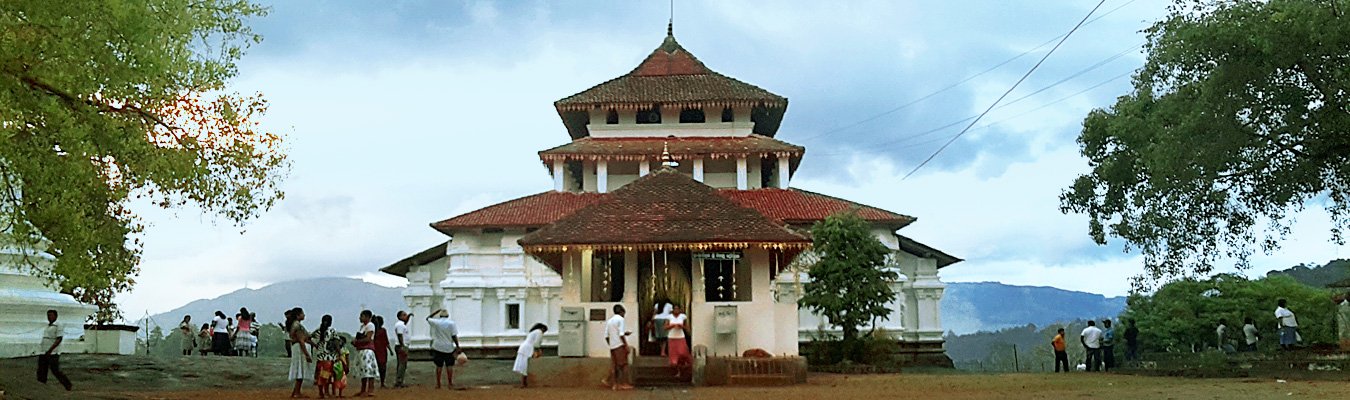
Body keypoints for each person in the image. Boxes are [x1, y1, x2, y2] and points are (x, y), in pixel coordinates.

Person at [36, 309, 72, 391]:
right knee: (42, 369)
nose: (49, 317)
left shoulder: (58, 325)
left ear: (56, 316)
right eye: (48, 315)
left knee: (55, 370)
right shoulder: (48, 326)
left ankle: (67, 384)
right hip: (43, 350)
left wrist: (51, 349)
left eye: (51, 315)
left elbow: (59, 339)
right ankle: (41, 384)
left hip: (53, 352)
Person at [426, 309, 461, 390]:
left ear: (440, 316)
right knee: (449, 365)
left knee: (439, 366)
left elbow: (428, 318)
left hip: (438, 346)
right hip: (448, 347)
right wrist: (458, 346)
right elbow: (454, 336)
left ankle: (438, 384)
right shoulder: (451, 323)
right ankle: (450, 383)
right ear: (448, 316)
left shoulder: (436, 322)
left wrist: (436, 311)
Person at [285, 307, 314, 399]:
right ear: (298, 316)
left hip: (297, 348)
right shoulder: (297, 326)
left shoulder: (294, 325)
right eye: (302, 313)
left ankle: (296, 391)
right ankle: (297, 392)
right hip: (299, 349)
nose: (304, 315)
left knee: (299, 369)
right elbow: (301, 340)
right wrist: (307, 354)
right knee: (300, 369)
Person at [311, 315, 341, 399]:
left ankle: (321, 393)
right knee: (327, 375)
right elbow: (336, 343)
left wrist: (315, 345)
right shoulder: (332, 331)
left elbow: (308, 338)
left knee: (321, 375)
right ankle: (327, 392)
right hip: (329, 357)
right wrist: (340, 353)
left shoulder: (317, 331)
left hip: (320, 357)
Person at [606, 304, 633, 390]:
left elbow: (607, 336)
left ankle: (614, 384)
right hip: (619, 345)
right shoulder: (621, 320)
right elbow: (621, 334)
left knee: (615, 365)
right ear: (622, 312)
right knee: (624, 365)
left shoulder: (610, 321)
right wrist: (626, 345)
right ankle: (624, 383)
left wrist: (611, 344)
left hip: (613, 346)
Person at [352, 310, 379, 397]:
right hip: (362, 350)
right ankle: (363, 390)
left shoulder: (370, 326)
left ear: (367, 317)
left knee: (368, 370)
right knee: (363, 370)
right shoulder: (362, 326)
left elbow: (368, 339)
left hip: (367, 350)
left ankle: (370, 389)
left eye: (361, 316)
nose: (360, 318)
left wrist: (357, 342)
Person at [512, 323, 548, 388]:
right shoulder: (539, 332)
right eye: (544, 331)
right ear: (542, 328)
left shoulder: (533, 331)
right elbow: (536, 343)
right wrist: (538, 350)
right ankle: (524, 383)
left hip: (524, 347)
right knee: (525, 366)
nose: (544, 333)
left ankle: (524, 382)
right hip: (527, 348)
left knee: (524, 366)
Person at [665, 304, 692, 378]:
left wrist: (681, 326)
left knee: (682, 353)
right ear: (673, 310)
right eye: (675, 309)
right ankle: (677, 371)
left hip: (680, 337)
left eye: (678, 309)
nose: (676, 310)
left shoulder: (683, 316)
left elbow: (687, 327)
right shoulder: (669, 317)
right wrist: (672, 326)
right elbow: (665, 327)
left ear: (680, 310)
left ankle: (684, 367)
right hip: (672, 337)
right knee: (674, 357)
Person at [392, 311, 412, 388]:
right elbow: (400, 335)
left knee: (402, 364)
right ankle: (399, 381)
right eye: (404, 315)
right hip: (401, 346)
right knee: (402, 364)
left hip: (401, 346)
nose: (406, 316)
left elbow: (405, 322)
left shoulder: (401, 324)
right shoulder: (400, 325)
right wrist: (402, 346)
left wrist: (409, 316)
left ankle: (399, 380)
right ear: (400, 317)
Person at [372, 315, 392, 388]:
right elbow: (386, 341)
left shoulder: (373, 331)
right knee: (382, 367)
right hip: (381, 351)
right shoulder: (382, 331)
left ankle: (375, 382)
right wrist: (390, 350)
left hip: (375, 350)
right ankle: (382, 382)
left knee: (376, 366)